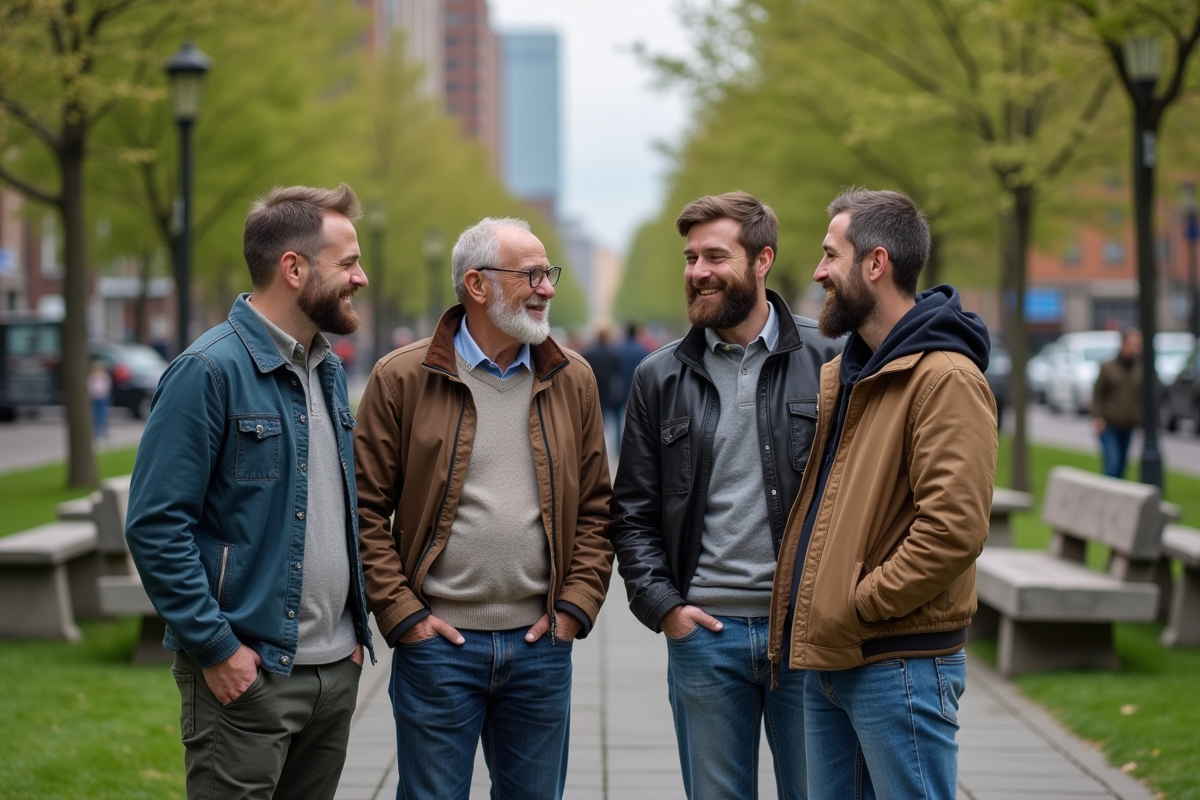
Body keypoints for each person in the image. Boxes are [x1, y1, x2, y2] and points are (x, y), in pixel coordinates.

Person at [125, 183, 375, 800]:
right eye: (347, 263)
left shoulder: (328, 368)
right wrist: (217, 648)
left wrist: (350, 643)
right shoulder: (207, 371)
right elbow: (156, 525)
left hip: (332, 672)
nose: (361, 278)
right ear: (293, 268)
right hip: (247, 676)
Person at [353, 217, 613, 800]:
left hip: (541, 647)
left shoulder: (575, 379)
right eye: (531, 274)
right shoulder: (402, 378)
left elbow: (598, 509)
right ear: (476, 284)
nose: (546, 286)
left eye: (549, 272)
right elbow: (364, 512)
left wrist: (574, 607)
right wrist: (406, 618)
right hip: (438, 649)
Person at [608, 191, 841, 799]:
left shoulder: (832, 360)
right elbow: (631, 513)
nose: (698, 272)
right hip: (704, 638)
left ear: (763, 260)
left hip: (806, 636)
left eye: (716, 256)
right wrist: (665, 608)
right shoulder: (657, 377)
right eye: (690, 258)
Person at [768, 188, 996, 800]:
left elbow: (953, 529)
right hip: (836, 658)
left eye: (829, 256)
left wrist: (859, 602)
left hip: (900, 662)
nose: (817, 272)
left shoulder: (944, 378)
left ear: (875, 264)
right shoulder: (854, 372)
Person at [1093, 327, 1143, 479]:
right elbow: (1098, 393)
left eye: (1138, 344)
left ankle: (1117, 498)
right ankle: (1108, 496)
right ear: (1123, 344)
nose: (1135, 348)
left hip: (1128, 423)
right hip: (1110, 423)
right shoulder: (1108, 367)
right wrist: (1098, 416)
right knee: (1112, 463)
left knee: (1122, 464)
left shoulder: (1140, 368)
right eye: (1132, 343)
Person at [582, 326, 625, 451]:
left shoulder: (588, 353)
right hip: (611, 393)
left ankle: (596, 447)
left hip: (594, 390)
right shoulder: (615, 353)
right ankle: (617, 447)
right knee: (616, 421)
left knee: (596, 422)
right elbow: (618, 375)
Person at [87, 358, 111, 439]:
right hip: (95, 397)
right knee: (96, 414)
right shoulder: (92, 376)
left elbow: (107, 385)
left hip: (103, 397)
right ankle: (96, 432)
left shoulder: (104, 376)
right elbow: (90, 386)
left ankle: (103, 432)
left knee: (103, 415)